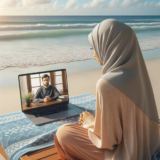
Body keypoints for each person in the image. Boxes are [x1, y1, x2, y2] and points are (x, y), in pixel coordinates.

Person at [54, 19, 160, 160]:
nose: (94, 54)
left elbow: (109, 142)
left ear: (110, 46)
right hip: (149, 146)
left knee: (63, 133)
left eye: (95, 48)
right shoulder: (139, 73)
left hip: (126, 155)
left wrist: (89, 121)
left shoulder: (106, 84)